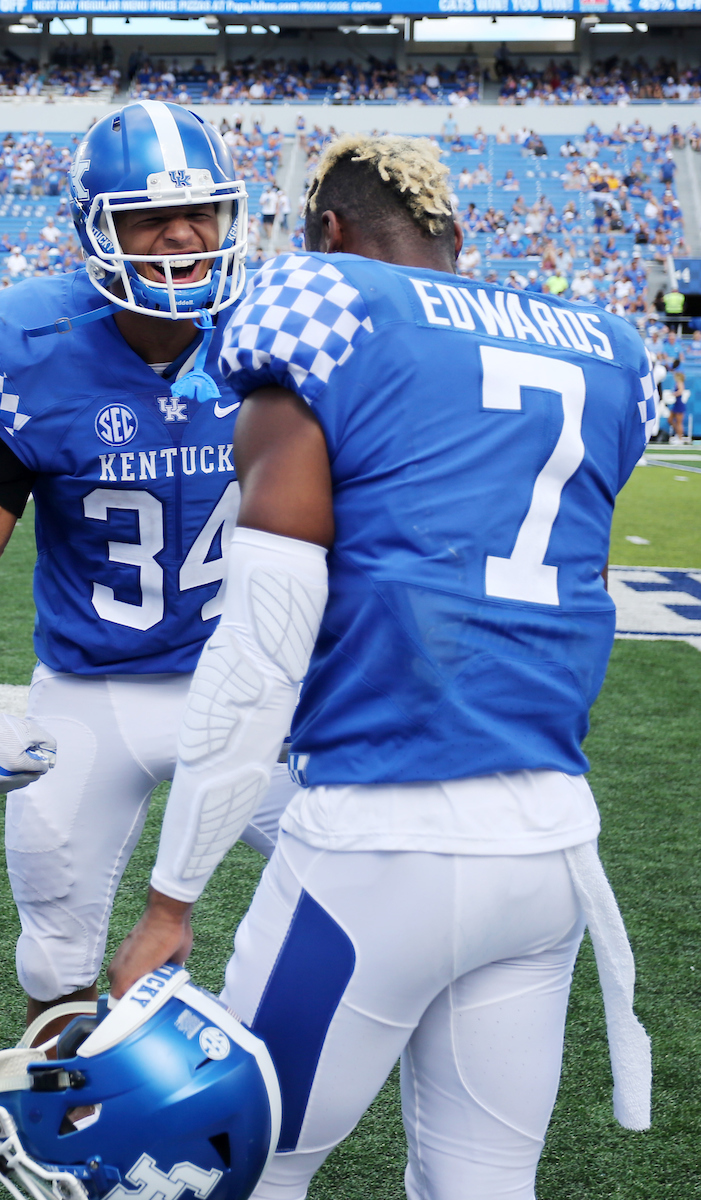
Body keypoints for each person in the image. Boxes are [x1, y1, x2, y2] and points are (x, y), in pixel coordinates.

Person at [109, 133, 655, 1200]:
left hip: (375, 846)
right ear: (455, 236)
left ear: (327, 232)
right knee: (482, 1183)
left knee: (235, 1174)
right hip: (549, 851)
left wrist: (170, 902)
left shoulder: (330, 316)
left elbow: (258, 657)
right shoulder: (603, 349)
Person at [0, 101, 296, 1042]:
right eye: (149, 217)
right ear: (97, 230)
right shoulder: (34, 343)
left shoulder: (274, 329)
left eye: (200, 212)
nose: (182, 235)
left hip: (249, 682)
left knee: (357, 880)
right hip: (93, 688)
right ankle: (60, 1108)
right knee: (55, 951)